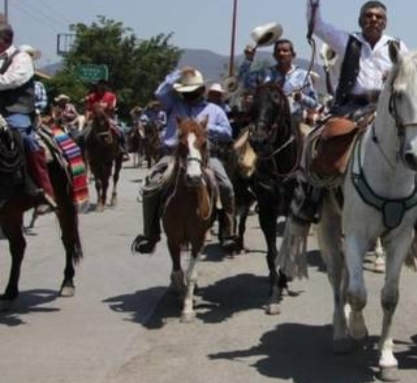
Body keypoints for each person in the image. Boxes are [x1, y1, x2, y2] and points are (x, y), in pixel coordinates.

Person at [294, 0, 417, 224]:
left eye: (379, 17)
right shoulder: (346, 40)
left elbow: (411, 80)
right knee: (322, 140)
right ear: (361, 19)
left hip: (386, 108)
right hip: (351, 107)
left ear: (385, 22)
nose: (374, 20)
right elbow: (316, 25)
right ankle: (313, 197)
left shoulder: (398, 46)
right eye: (368, 16)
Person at [131, 67, 237, 254]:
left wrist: (203, 128)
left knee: (226, 186)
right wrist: (177, 75)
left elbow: (228, 133)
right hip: (173, 155)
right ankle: (150, 234)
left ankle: (227, 232)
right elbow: (160, 93)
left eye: (193, 91)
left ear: (202, 90)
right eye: (185, 91)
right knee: (151, 185)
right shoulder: (174, 104)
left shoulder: (215, 110)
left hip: (205, 156)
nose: (188, 95)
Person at [0, 25, 57, 212]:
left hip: (16, 111)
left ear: (4, 40)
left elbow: (13, 79)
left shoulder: (21, 58)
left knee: (25, 138)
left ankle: (43, 190)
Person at [238, 38, 318, 122]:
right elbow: (244, 80)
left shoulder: (303, 76)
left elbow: (315, 104)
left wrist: (302, 98)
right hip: (267, 124)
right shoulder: (265, 74)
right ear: (274, 55)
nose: (281, 53)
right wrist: (248, 59)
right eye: (278, 51)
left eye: (285, 51)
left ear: (293, 55)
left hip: (295, 123)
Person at [82, 79, 129, 161]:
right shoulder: (92, 97)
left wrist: (109, 109)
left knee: (121, 131)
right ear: (97, 86)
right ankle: (82, 152)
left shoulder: (111, 96)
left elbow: (112, 107)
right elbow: (88, 109)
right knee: (82, 134)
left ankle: (123, 150)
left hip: (108, 118)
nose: (101, 86)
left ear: (106, 86)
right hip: (94, 119)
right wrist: (86, 119)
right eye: (100, 85)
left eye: (103, 85)